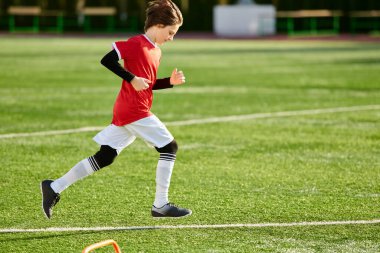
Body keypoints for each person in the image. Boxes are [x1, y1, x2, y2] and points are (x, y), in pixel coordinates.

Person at [41, 0, 191, 219]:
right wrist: (130, 78)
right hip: (134, 110)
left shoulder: (156, 51)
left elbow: (147, 83)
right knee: (170, 147)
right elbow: (107, 60)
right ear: (158, 25)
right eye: (170, 32)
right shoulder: (136, 43)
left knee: (105, 157)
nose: (171, 37)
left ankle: (53, 187)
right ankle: (160, 204)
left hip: (130, 110)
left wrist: (169, 82)